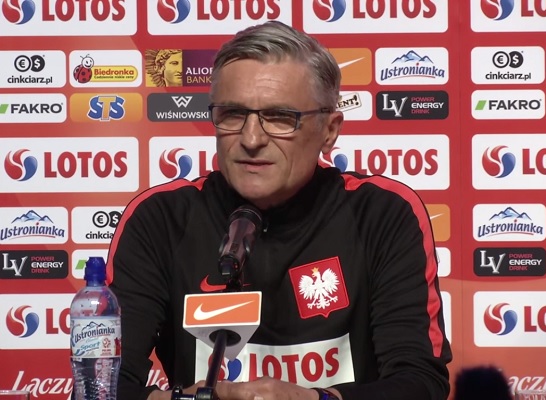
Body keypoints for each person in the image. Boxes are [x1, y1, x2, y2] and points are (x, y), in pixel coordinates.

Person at [108, 21, 452, 400]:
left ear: (329, 131)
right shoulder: (159, 219)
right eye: (232, 114)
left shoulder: (383, 214)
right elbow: (99, 387)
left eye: (280, 117)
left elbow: (420, 382)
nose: (251, 139)